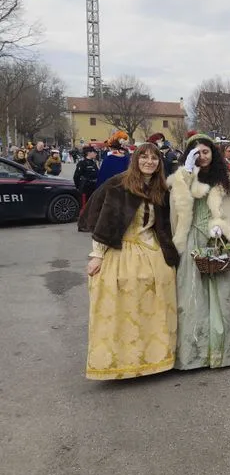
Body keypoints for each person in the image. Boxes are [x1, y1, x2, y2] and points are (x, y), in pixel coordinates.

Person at [78, 143, 179, 380]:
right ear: (135, 160)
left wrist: (172, 255)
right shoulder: (119, 184)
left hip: (152, 250)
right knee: (122, 301)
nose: (149, 161)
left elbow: (163, 226)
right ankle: (123, 362)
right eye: (144, 157)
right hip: (121, 249)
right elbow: (105, 221)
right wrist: (97, 255)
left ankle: (155, 359)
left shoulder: (160, 189)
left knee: (158, 298)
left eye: (154, 158)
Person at [168, 134, 230, 369]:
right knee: (194, 298)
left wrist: (226, 229)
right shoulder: (181, 179)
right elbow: (179, 206)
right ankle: (197, 353)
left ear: (213, 153)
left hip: (221, 241)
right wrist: (187, 174)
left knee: (228, 293)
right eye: (196, 153)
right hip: (195, 240)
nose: (202, 157)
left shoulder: (228, 179)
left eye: (205, 152)